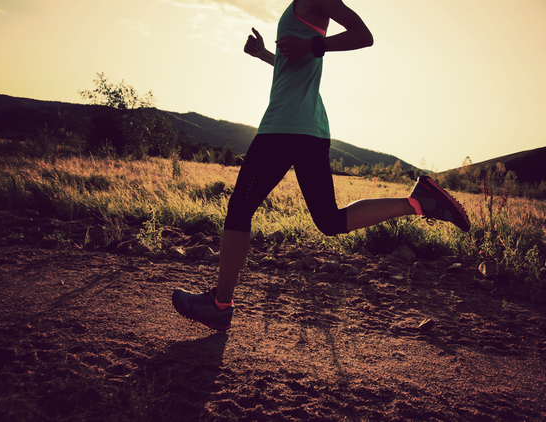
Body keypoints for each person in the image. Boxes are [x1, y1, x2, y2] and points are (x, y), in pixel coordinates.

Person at [172, 0, 470, 331]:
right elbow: (295, 65)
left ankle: (218, 305)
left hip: (285, 127)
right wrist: (264, 56)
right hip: (309, 129)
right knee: (328, 220)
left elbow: (363, 35)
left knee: (240, 209)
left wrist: (313, 44)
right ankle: (419, 202)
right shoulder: (299, 6)